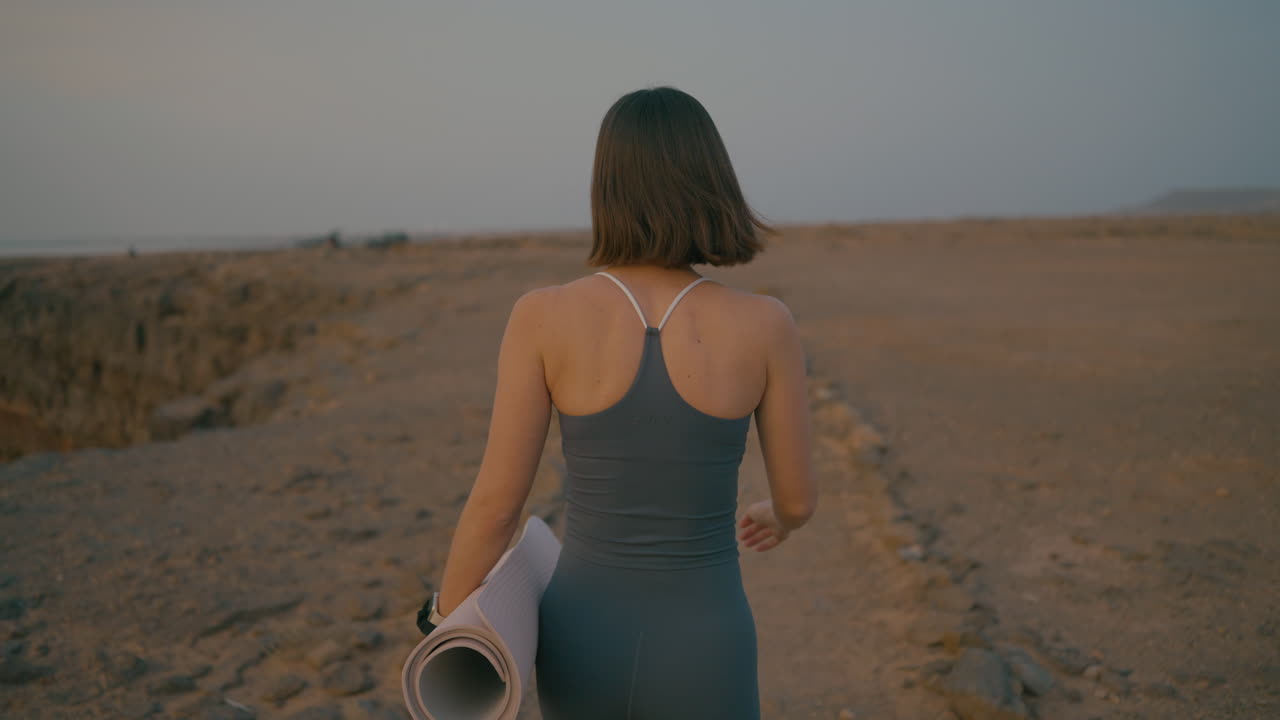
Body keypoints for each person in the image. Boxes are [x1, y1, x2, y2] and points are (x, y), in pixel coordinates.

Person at [431, 86, 816, 719]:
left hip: (582, 634)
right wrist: (780, 517)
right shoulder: (766, 324)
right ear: (712, 180)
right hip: (708, 640)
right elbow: (799, 499)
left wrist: (445, 623)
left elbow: (496, 508)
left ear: (607, 186)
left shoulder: (542, 316)